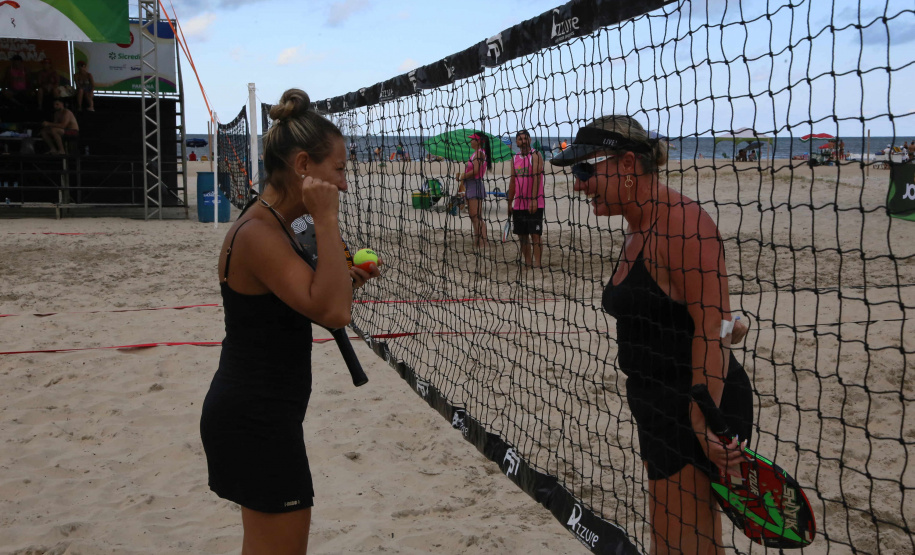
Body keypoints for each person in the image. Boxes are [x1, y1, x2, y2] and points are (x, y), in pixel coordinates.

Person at [551, 115, 752, 554]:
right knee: (673, 541)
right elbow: (708, 318)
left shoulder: (683, 223)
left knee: (686, 545)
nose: (579, 185)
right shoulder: (637, 228)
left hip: (695, 404)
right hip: (657, 405)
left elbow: (711, 330)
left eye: (585, 170)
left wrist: (704, 421)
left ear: (626, 164)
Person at [199, 88, 381, 555]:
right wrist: (326, 217)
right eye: (338, 170)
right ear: (303, 166)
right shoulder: (259, 232)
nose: (344, 184)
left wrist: (348, 279)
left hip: (264, 412)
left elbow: (312, 301)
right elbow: (334, 313)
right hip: (254, 418)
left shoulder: (279, 224)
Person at [507, 129, 545, 268]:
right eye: (520, 139)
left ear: (529, 140)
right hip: (519, 204)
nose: (523, 141)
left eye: (525, 138)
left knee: (535, 235)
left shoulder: (535, 155)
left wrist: (534, 199)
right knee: (522, 236)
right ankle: (528, 263)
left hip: (535, 202)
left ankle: (538, 264)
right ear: (516, 142)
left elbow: (536, 177)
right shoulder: (515, 158)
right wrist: (510, 202)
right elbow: (512, 181)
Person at [455, 133, 491, 248]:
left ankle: (482, 243)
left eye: (473, 140)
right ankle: (478, 241)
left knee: (476, 216)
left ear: (479, 141)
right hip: (471, 185)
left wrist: (462, 176)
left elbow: (475, 171)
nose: (470, 142)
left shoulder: (479, 153)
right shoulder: (476, 153)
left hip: (474, 184)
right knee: (473, 216)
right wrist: (463, 176)